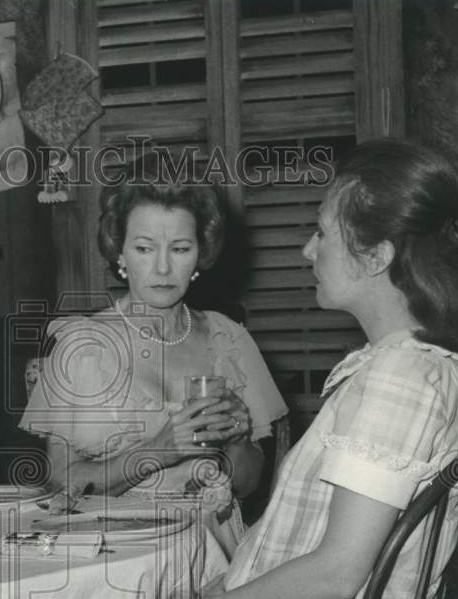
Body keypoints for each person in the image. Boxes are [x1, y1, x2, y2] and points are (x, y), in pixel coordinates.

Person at [99, 139, 458, 599]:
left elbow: (336, 573)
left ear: (376, 255)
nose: (307, 250)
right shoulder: (415, 368)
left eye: (322, 233)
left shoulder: (400, 380)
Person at [20, 158, 288, 557]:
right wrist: (160, 450)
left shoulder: (228, 338)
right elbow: (62, 484)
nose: (163, 267)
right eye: (144, 248)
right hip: (118, 556)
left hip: (217, 549)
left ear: (200, 254)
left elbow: (250, 483)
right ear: (119, 251)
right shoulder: (81, 344)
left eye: (180, 248)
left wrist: (235, 439)